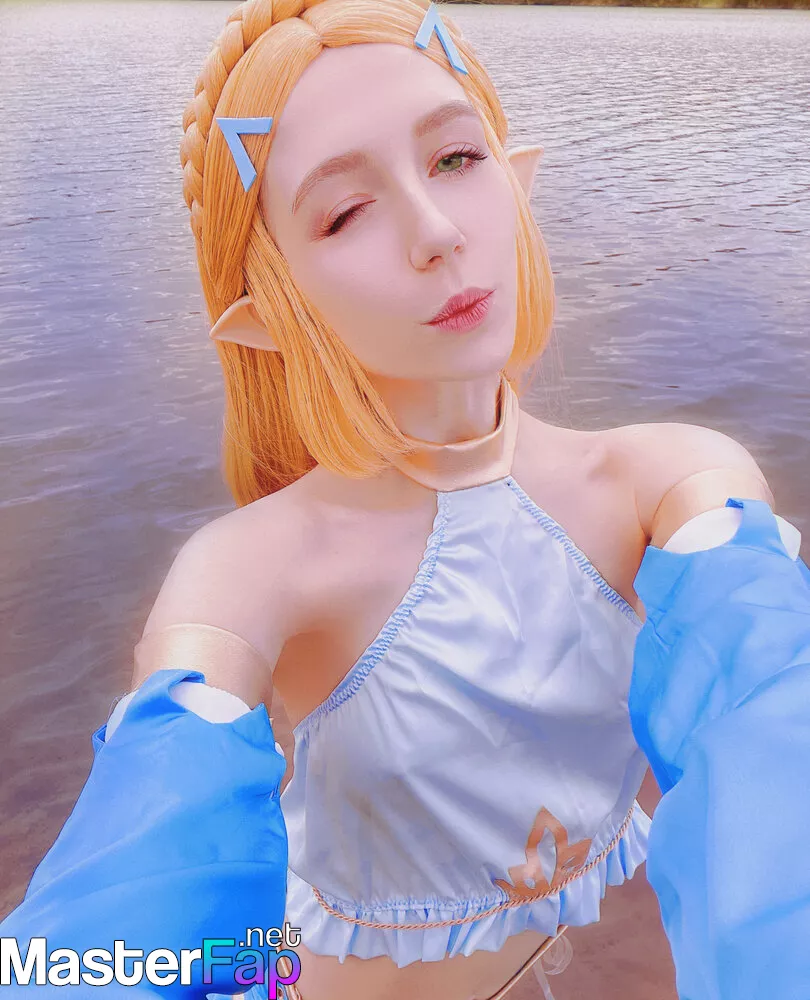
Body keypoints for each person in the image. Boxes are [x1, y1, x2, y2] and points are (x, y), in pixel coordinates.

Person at [2, 1, 809, 998]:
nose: (435, 232)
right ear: (268, 310)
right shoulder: (252, 567)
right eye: (345, 212)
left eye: (457, 159)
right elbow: (149, 844)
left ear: (516, 178)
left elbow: (768, 699)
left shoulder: (669, 480)